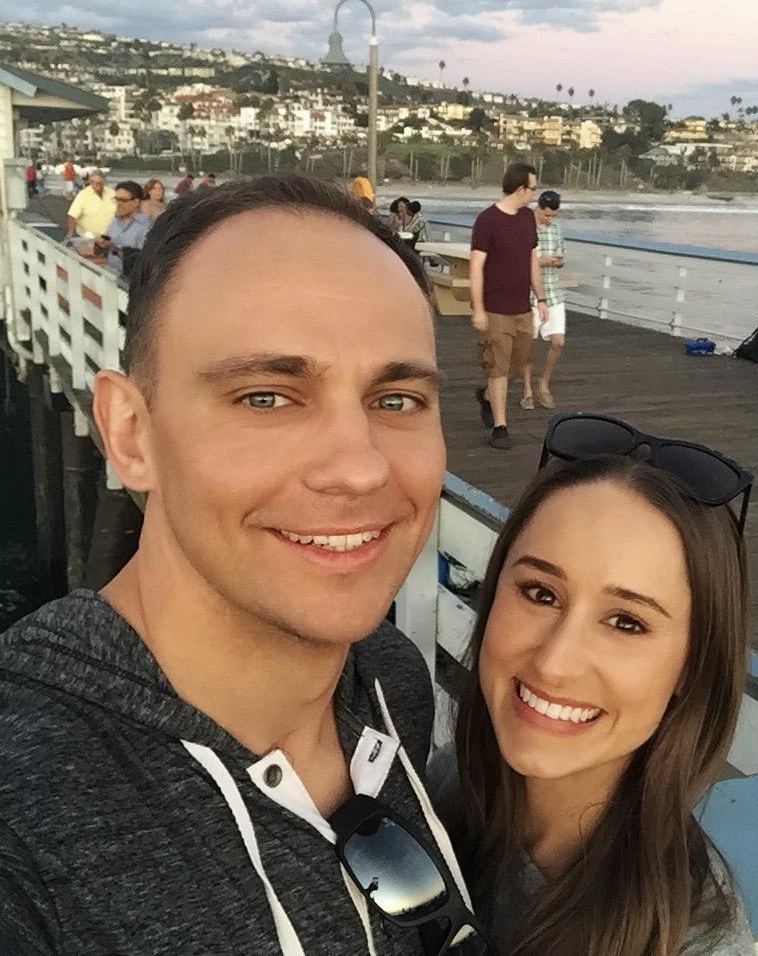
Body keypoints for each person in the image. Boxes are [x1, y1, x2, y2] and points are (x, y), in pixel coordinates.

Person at [0, 175, 475, 956]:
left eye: (395, 401)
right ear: (130, 433)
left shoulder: (388, 684)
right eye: (266, 397)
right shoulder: (27, 812)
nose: (359, 471)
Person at [437, 423, 755, 956]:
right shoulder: (448, 783)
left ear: (692, 669)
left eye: (626, 622)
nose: (555, 663)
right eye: (539, 593)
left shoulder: (689, 942)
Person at [471, 163, 549, 449]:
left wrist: (540, 298)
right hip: (495, 308)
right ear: (520, 189)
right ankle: (500, 425)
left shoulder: (528, 219)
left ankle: (488, 397)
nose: (534, 194)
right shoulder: (487, 220)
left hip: (522, 308)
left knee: (517, 367)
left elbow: (532, 260)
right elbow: (476, 266)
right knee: (497, 368)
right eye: (533, 189)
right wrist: (478, 309)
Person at [521, 191, 566, 411]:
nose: (550, 219)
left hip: (553, 292)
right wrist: (540, 262)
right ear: (538, 207)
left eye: (553, 216)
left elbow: (562, 258)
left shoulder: (557, 230)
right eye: (547, 215)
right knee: (528, 344)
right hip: (527, 293)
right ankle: (527, 389)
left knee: (558, 341)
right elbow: (519, 260)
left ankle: (544, 383)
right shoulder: (525, 227)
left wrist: (556, 262)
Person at [95, 180, 151, 275]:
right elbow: (104, 251)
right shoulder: (114, 221)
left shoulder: (146, 227)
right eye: (116, 199)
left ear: (136, 202)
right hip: (109, 276)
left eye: (123, 200)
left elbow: (141, 263)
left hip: (128, 282)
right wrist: (99, 245)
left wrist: (113, 248)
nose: (118, 204)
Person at [64, 169, 116, 239]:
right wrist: (70, 233)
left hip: (108, 237)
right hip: (88, 238)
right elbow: (72, 215)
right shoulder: (83, 195)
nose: (94, 185)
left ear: (103, 182)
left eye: (98, 183)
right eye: (92, 182)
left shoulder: (112, 193)